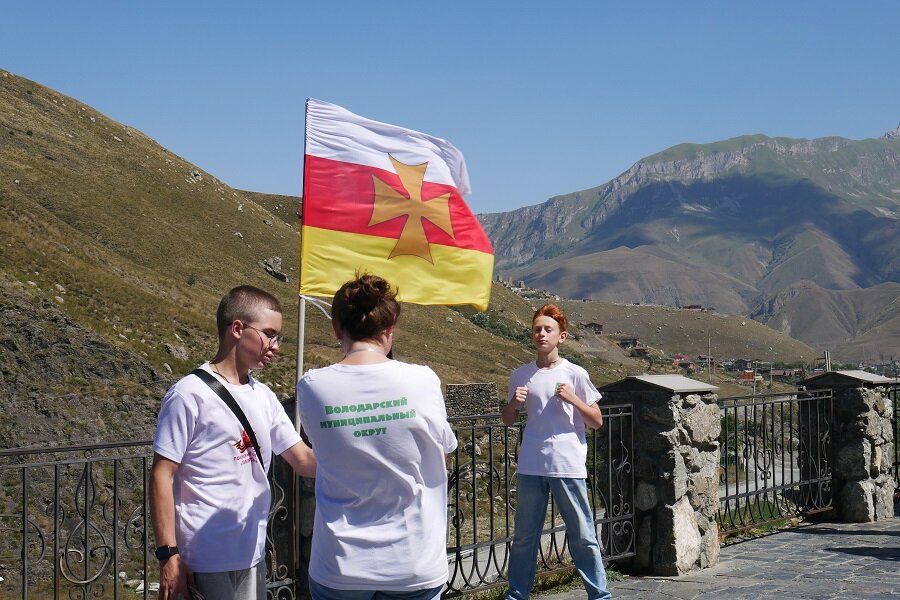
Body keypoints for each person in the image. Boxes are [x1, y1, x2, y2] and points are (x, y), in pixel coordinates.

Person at [297, 273, 457, 600]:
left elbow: (325, 453)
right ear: (389, 329)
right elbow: (441, 454)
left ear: (336, 328)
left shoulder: (313, 386)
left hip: (339, 566)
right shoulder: (423, 381)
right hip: (414, 563)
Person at [151, 285, 317, 600]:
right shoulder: (188, 394)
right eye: (270, 334)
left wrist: (358, 465)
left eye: (278, 337)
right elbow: (162, 473)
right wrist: (168, 554)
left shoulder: (264, 396)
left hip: (251, 552)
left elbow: (302, 459)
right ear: (238, 329)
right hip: (204, 554)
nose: (276, 346)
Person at [501, 304, 610, 600]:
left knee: (583, 535)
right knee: (524, 538)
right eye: (537, 329)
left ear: (561, 336)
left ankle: (599, 595)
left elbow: (596, 421)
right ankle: (517, 595)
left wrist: (574, 398)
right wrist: (513, 402)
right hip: (531, 465)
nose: (541, 334)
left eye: (548, 329)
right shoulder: (521, 374)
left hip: (567, 464)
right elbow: (508, 419)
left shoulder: (575, 373)